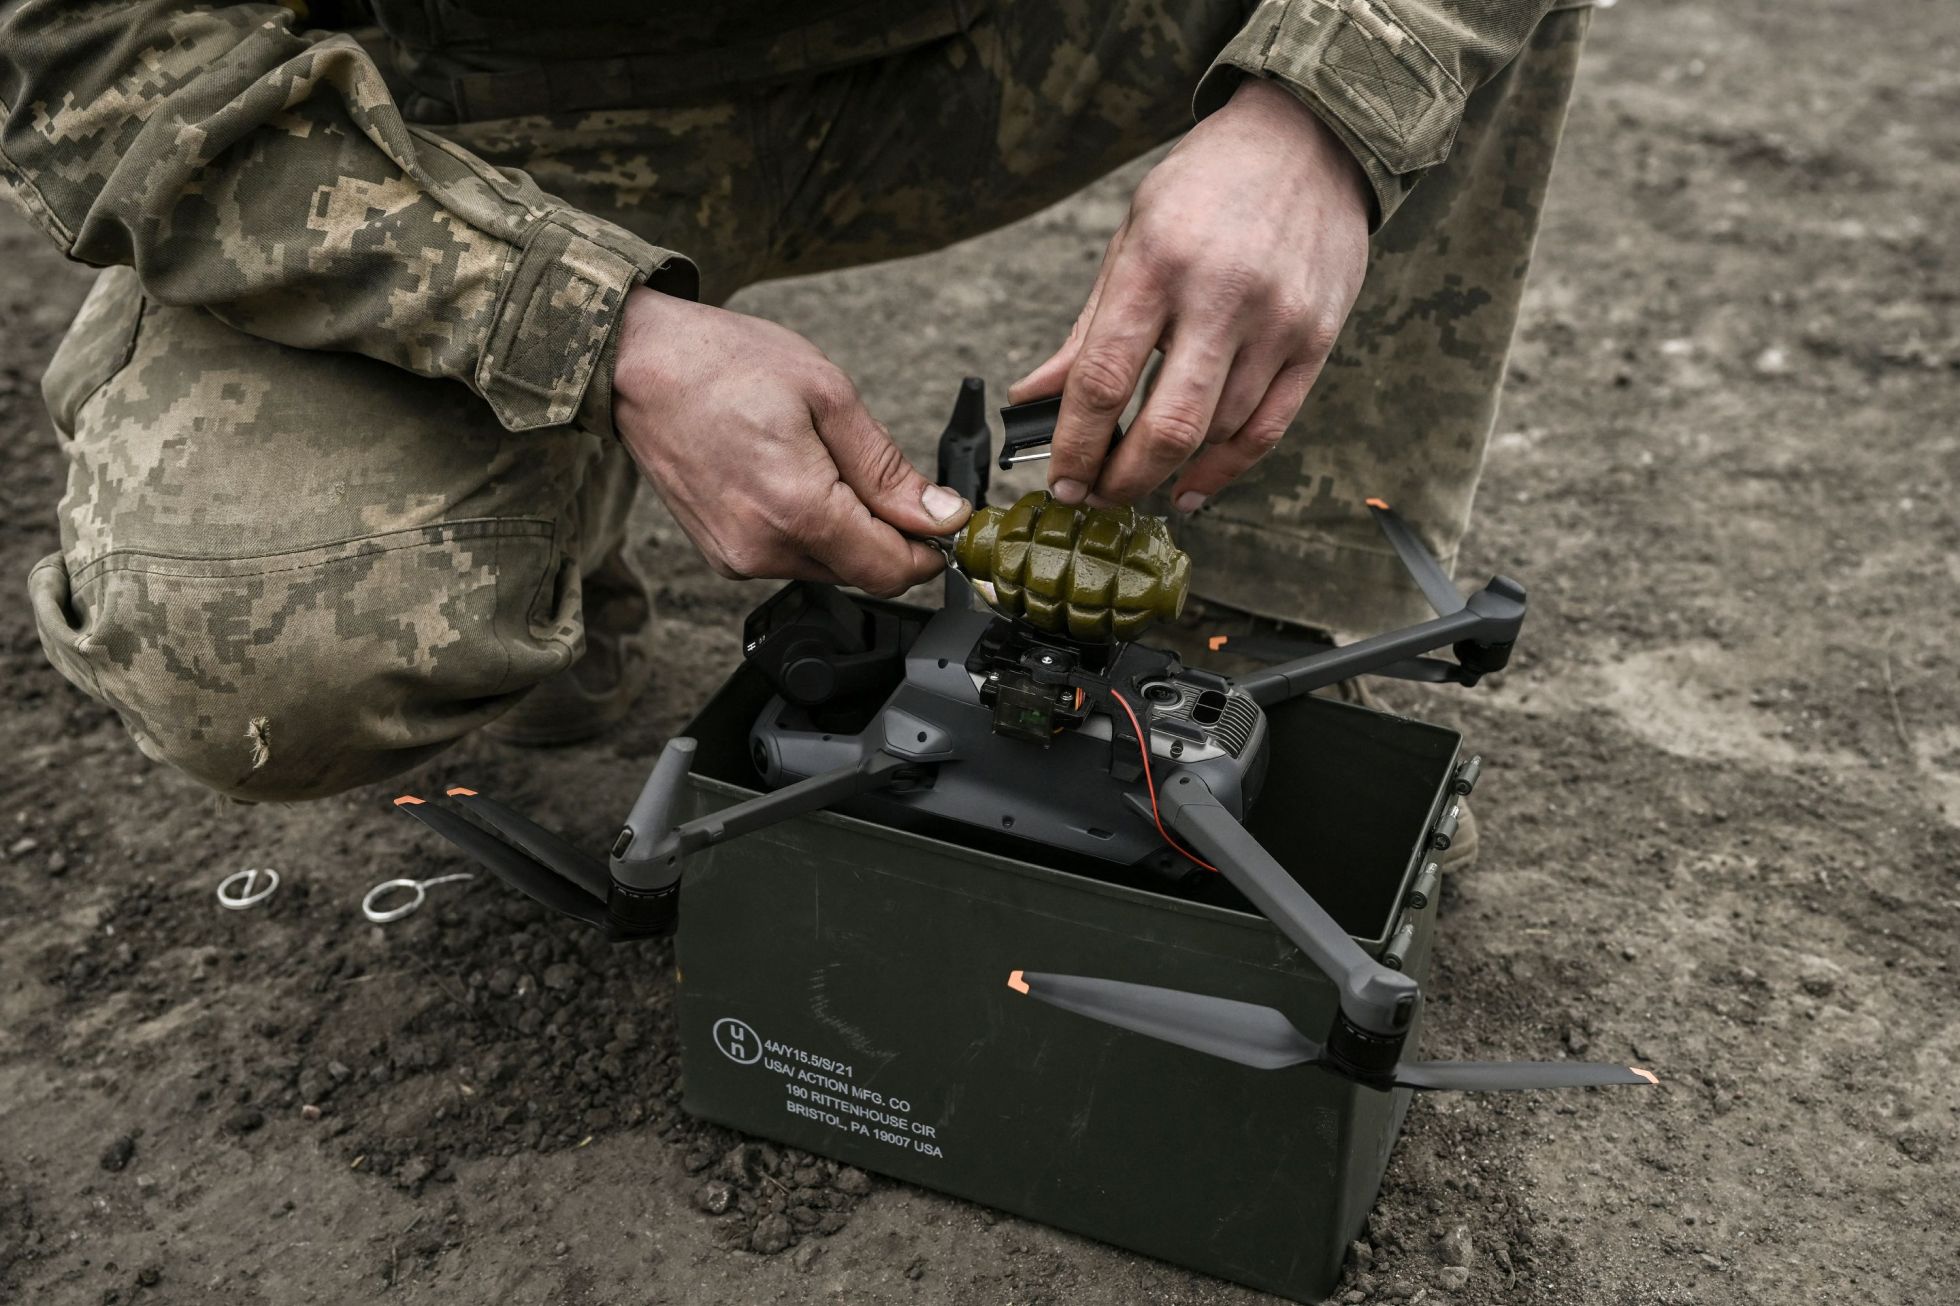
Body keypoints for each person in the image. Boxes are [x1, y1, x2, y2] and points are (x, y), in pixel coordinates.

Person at [3, 0, 1591, 839]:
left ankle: (1234, 636)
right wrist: (592, 331)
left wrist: (1324, 112)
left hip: (962, 49)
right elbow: (92, 52)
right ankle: (544, 488)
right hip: (464, 119)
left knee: (1408, 28)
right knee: (253, 633)